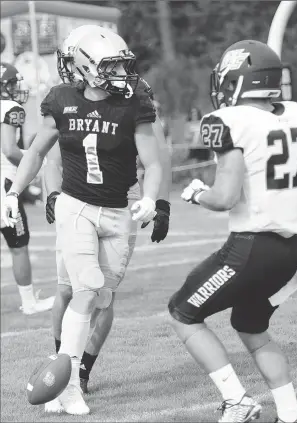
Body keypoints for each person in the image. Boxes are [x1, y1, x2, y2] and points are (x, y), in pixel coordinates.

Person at [2, 28, 164, 416]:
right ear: (83, 66)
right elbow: (38, 151)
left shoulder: (134, 102)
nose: (121, 73)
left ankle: (71, 370)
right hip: (76, 206)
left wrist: (151, 199)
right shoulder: (60, 99)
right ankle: (69, 385)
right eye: (110, 66)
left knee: (102, 298)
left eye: (122, 64)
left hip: (118, 210)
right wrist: (13, 192)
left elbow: (153, 163)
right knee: (86, 288)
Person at [168, 40, 297, 423]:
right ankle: (291, 415)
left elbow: (225, 197)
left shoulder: (229, 121)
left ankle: (237, 399)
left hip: (252, 247)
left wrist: (198, 193)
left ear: (240, 81)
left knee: (182, 312)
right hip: (293, 250)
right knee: (250, 326)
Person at [0, 62, 55, 315]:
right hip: (4, 185)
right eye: (11, 83)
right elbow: (10, 150)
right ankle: (29, 303)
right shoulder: (10, 108)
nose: (15, 88)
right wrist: (34, 163)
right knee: (18, 244)